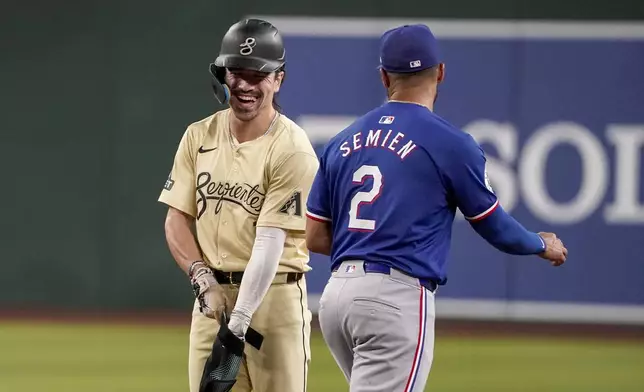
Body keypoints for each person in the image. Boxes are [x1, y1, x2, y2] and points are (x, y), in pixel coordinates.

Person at [304, 24, 568, 392]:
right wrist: (541, 243)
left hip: (336, 300)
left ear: (383, 77)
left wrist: (366, 247)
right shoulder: (451, 143)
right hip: (394, 299)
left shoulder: (342, 141)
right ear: (440, 71)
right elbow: (495, 226)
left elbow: (314, 235)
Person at [158, 18, 319, 392]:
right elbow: (176, 219)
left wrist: (238, 324)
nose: (244, 84)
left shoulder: (292, 148)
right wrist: (202, 278)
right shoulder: (199, 135)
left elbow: (270, 242)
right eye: (236, 72)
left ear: (278, 79)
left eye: (257, 74)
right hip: (212, 300)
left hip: (274, 301)